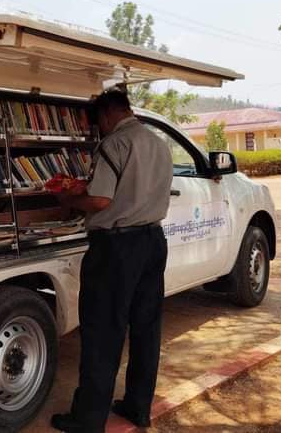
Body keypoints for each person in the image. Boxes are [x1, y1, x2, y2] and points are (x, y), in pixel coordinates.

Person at [51, 88, 173, 432]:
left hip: (116, 247)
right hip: (153, 241)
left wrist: (68, 200)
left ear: (107, 115)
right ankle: (138, 407)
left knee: (103, 331)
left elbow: (101, 201)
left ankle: (88, 419)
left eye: (98, 123)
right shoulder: (159, 143)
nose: (99, 129)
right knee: (146, 329)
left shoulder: (114, 144)